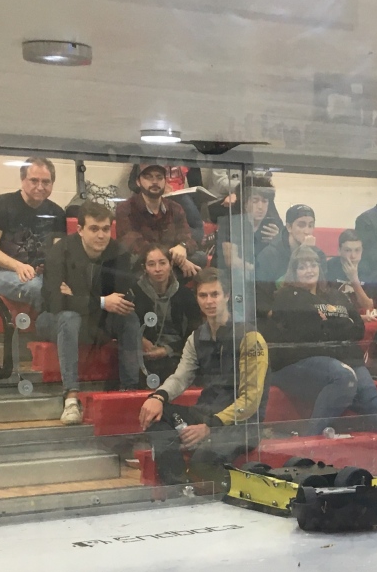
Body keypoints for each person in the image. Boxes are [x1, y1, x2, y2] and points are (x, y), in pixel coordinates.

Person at [260, 245, 377, 453]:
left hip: (344, 357)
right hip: (299, 362)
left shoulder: (334, 295)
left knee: (369, 395)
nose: (309, 270)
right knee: (344, 377)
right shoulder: (288, 297)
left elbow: (357, 328)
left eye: (313, 265)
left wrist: (329, 322)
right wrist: (339, 323)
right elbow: (310, 332)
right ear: (294, 271)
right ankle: (309, 440)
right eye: (302, 267)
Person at [137, 269, 265, 487]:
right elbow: (181, 377)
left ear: (227, 296)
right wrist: (157, 397)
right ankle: (178, 486)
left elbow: (250, 400)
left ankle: (233, 491)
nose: (209, 301)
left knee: (202, 461)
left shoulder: (250, 338)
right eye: (203, 295)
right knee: (155, 414)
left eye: (215, 294)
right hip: (206, 412)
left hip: (240, 424)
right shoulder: (196, 337)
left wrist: (209, 426)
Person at [39, 201, 139, 423]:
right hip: (52, 319)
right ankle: (71, 398)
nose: (101, 235)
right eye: (94, 229)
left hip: (95, 321)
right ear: (80, 229)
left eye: (105, 229)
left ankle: (129, 391)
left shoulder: (119, 253)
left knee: (129, 318)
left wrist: (76, 297)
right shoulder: (60, 251)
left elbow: (123, 298)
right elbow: (56, 302)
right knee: (69, 316)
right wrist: (101, 301)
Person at [0, 158, 66, 311]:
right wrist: (18, 266)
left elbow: (57, 253)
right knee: (39, 288)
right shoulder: (1, 204)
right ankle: (49, 323)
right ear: (22, 180)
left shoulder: (57, 213)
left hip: (39, 275)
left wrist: (48, 267)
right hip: (0, 273)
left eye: (46, 182)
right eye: (34, 181)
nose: (40, 187)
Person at [326, 228, 377, 370]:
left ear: (362, 251)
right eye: (348, 250)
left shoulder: (369, 270)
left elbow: (368, 305)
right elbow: (326, 301)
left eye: (357, 250)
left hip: (362, 311)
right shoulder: (329, 267)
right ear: (339, 251)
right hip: (338, 313)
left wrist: (354, 279)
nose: (353, 256)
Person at [130, 244, 201, 388]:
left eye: (162, 263)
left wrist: (167, 350)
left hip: (179, 356)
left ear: (171, 264)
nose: (157, 269)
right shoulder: (133, 293)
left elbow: (195, 333)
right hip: (141, 356)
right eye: (151, 264)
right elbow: (123, 325)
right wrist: (139, 339)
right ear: (144, 268)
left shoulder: (185, 295)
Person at [116, 162, 200, 277]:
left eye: (159, 177)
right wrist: (172, 259)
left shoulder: (175, 208)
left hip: (171, 261)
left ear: (165, 182)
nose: (155, 182)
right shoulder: (126, 208)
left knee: (200, 258)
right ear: (138, 182)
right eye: (149, 177)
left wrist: (183, 246)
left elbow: (188, 238)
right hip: (143, 264)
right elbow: (135, 245)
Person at [256, 203, 322, 291]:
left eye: (310, 225)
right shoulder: (268, 255)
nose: (307, 231)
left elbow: (321, 287)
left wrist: (308, 252)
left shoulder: (318, 254)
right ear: (289, 227)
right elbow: (264, 291)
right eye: (301, 225)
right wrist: (302, 252)